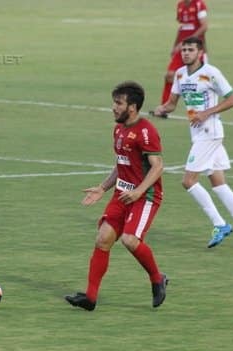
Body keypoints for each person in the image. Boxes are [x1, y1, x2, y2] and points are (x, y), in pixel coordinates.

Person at [65, 81, 169, 311]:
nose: (113, 107)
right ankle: (90, 298)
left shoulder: (146, 131)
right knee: (103, 239)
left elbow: (158, 166)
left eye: (118, 103)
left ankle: (156, 278)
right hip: (123, 194)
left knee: (130, 240)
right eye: (114, 102)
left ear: (132, 107)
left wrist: (139, 191)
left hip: (145, 196)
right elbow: (122, 164)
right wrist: (103, 188)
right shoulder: (119, 129)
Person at [153, 37, 233, 252]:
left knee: (188, 180)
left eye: (190, 50)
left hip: (210, 133)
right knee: (219, 183)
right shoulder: (180, 74)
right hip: (198, 135)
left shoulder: (211, 73)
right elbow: (172, 104)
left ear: (199, 52)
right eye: (183, 50)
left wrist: (206, 112)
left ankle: (220, 224)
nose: (185, 53)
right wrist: (160, 109)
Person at [160, 0, 209, 107]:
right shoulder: (180, 5)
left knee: (201, 80)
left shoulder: (199, 4)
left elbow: (204, 26)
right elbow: (182, 27)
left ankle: (203, 107)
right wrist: (175, 46)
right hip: (182, 47)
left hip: (195, 48)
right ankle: (165, 107)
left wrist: (186, 42)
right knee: (169, 76)